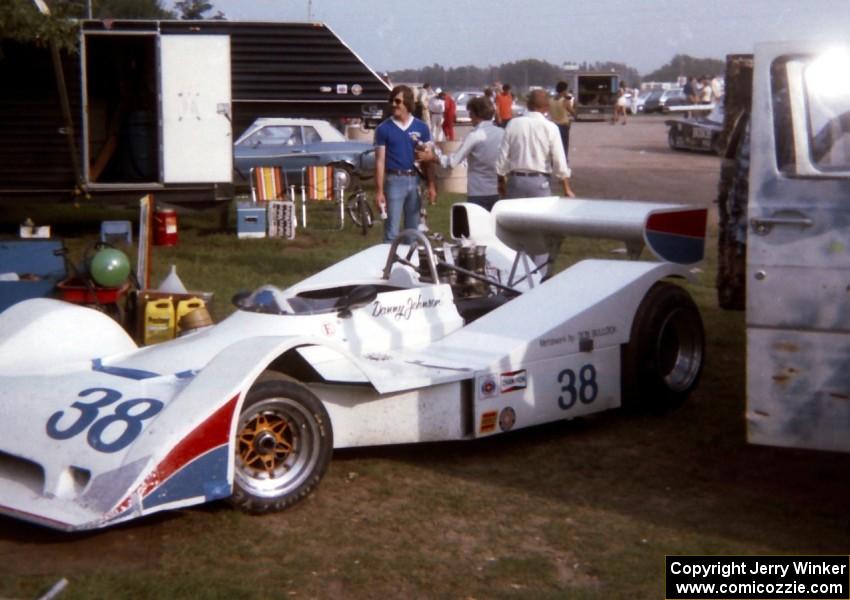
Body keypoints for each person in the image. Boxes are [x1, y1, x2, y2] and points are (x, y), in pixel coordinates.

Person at [417, 96, 504, 211]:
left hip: (478, 192)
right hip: (498, 191)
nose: (470, 116)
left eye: (471, 113)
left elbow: (453, 162)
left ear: (476, 114)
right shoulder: (502, 133)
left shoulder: (475, 135)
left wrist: (432, 157)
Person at [374, 85, 437, 242]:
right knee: (391, 231)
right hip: (394, 180)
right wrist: (380, 191)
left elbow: (427, 159)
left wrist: (431, 185)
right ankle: (388, 263)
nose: (393, 104)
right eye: (391, 101)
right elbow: (380, 162)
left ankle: (410, 262)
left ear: (408, 103)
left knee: (413, 230)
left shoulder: (421, 127)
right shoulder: (383, 129)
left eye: (398, 101)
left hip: (414, 180)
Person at [496, 88, 575, 199]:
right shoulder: (551, 128)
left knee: (514, 216)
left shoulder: (513, 124)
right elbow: (559, 160)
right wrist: (566, 189)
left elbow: (502, 155)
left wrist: (501, 181)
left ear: (528, 104)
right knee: (540, 215)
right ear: (547, 107)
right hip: (539, 181)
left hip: (515, 180)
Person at [549, 81, 577, 158]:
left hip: (553, 125)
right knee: (563, 147)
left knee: (554, 146)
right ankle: (563, 163)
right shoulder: (565, 101)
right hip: (563, 126)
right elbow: (573, 113)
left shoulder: (551, 100)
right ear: (564, 90)